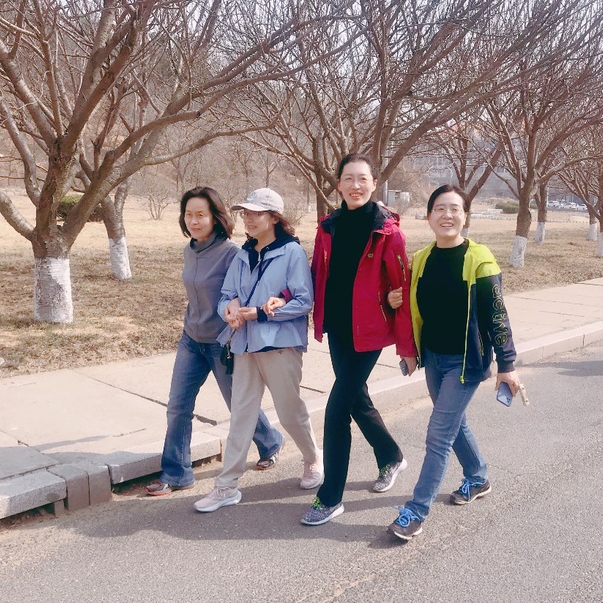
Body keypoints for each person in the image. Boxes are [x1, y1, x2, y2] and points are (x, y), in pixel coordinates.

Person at [386, 185, 521, 541]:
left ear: (465, 216)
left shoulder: (480, 259)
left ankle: (416, 511)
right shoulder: (422, 259)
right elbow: (410, 305)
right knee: (453, 424)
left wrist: (507, 363)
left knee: (438, 434)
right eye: (440, 208)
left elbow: (497, 315)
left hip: (466, 362)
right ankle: (478, 477)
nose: (447, 215)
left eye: (455, 209)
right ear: (429, 216)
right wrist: (394, 301)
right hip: (433, 357)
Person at [299, 153, 417, 526]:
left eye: (362, 178)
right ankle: (391, 455)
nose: (355, 185)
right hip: (338, 328)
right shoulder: (328, 227)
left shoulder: (388, 232)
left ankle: (330, 496)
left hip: (371, 332)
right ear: (338, 184)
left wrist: (407, 347)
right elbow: (317, 274)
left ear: (374, 183)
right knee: (356, 398)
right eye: (348, 178)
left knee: (337, 409)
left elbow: (402, 290)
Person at [145, 187, 284, 497]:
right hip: (191, 340)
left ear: (215, 218)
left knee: (239, 405)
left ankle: (271, 442)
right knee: (178, 406)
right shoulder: (190, 250)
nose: (194, 221)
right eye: (188, 215)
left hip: (222, 343)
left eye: (201, 215)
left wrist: (237, 308)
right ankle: (177, 473)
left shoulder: (232, 253)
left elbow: (244, 291)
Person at [194, 188, 323, 513]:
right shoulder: (242, 254)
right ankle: (227, 485)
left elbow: (303, 301)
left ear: (274, 218)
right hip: (244, 343)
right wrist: (229, 310)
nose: (248, 219)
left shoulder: (292, 252)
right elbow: (226, 294)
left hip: (280, 346)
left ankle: (312, 458)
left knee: (289, 412)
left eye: (256, 214)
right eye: (245, 213)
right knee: (241, 414)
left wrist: (261, 314)